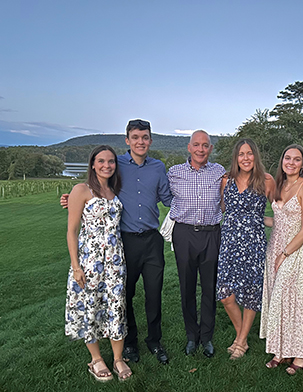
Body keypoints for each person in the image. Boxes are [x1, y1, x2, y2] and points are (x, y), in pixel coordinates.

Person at [61, 119, 172, 365]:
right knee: (124, 296)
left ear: (150, 140)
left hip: (152, 241)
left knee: (154, 294)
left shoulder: (158, 167)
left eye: (144, 137)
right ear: (127, 140)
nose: (140, 142)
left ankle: (154, 341)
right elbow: (94, 186)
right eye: (135, 137)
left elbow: (168, 198)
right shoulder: (116, 164)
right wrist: (71, 197)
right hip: (124, 243)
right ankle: (129, 344)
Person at [65, 145, 132, 381]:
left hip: (115, 261)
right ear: (92, 164)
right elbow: (72, 231)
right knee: (90, 307)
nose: (106, 165)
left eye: (111, 161)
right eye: (101, 161)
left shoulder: (115, 190)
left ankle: (117, 358)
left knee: (116, 307)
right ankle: (96, 359)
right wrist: (76, 266)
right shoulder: (82, 190)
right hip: (90, 262)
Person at [259, 144, 303, 375]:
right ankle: (281, 350)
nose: (291, 163)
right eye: (287, 158)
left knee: (295, 299)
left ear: (302, 164)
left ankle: (301, 353)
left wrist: (285, 253)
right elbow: (280, 221)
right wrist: (257, 218)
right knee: (278, 299)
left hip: (294, 250)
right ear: (282, 161)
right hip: (274, 247)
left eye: (296, 159)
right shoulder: (280, 184)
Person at [167, 130, 225, 357]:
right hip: (184, 234)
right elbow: (152, 192)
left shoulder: (219, 172)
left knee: (210, 287)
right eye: (197, 145)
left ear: (210, 149)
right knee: (187, 286)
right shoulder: (174, 173)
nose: (201, 149)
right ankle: (192, 335)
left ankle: (206, 337)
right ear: (189, 147)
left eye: (206, 145)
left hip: (212, 234)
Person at [216, 139, 275, 360]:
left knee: (251, 292)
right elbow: (224, 208)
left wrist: (265, 221)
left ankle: (240, 341)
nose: (246, 158)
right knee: (225, 295)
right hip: (229, 242)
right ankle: (243, 335)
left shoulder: (266, 180)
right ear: (236, 157)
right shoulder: (226, 180)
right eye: (241, 154)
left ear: (255, 156)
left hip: (254, 244)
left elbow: (280, 209)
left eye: (249, 153)